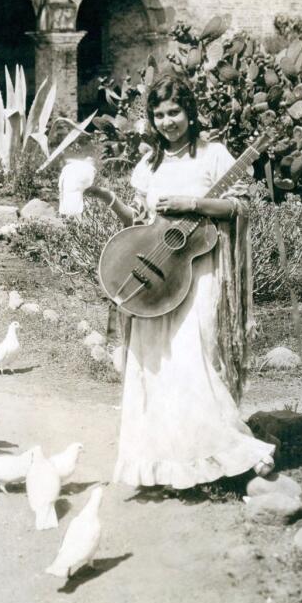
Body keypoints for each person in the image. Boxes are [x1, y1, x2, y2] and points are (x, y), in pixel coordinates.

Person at [87, 76, 275, 489]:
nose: (168, 121)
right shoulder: (150, 164)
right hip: (157, 279)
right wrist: (105, 197)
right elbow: (137, 224)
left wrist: (193, 203)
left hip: (200, 272)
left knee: (195, 359)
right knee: (155, 364)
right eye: (159, 114)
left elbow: (237, 207)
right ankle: (167, 463)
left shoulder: (213, 155)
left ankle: (219, 454)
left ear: (190, 111)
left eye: (175, 112)